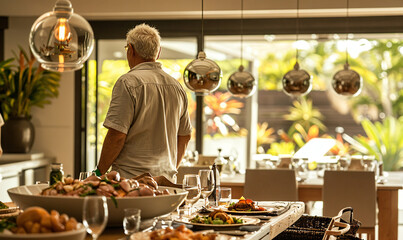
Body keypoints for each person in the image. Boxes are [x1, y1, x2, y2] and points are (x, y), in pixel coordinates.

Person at [96, 23, 192, 182]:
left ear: (130, 50)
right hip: (165, 184)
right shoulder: (177, 87)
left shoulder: (127, 82)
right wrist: (169, 170)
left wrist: (99, 173)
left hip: (131, 183)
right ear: (158, 52)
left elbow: (117, 135)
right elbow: (185, 136)